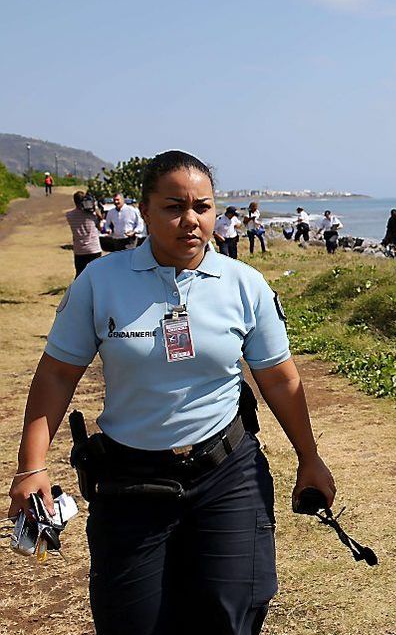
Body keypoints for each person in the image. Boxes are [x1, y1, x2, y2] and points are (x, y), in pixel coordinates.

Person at [7, 150, 336, 635]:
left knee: (232, 615)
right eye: (173, 207)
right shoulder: (101, 282)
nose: (190, 221)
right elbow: (57, 376)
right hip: (129, 481)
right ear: (144, 210)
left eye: (202, 207)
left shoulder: (245, 285)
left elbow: (280, 379)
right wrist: (30, 467)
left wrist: (310, 457)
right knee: (133, 623)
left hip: (227, 475)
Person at [65, 191, 103, 277]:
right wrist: (95, 208)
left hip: (79, 250)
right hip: (93, 249)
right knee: (96, 274)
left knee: (80, 274)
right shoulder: (92, 215)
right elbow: (100, 224)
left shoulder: (69, 215)